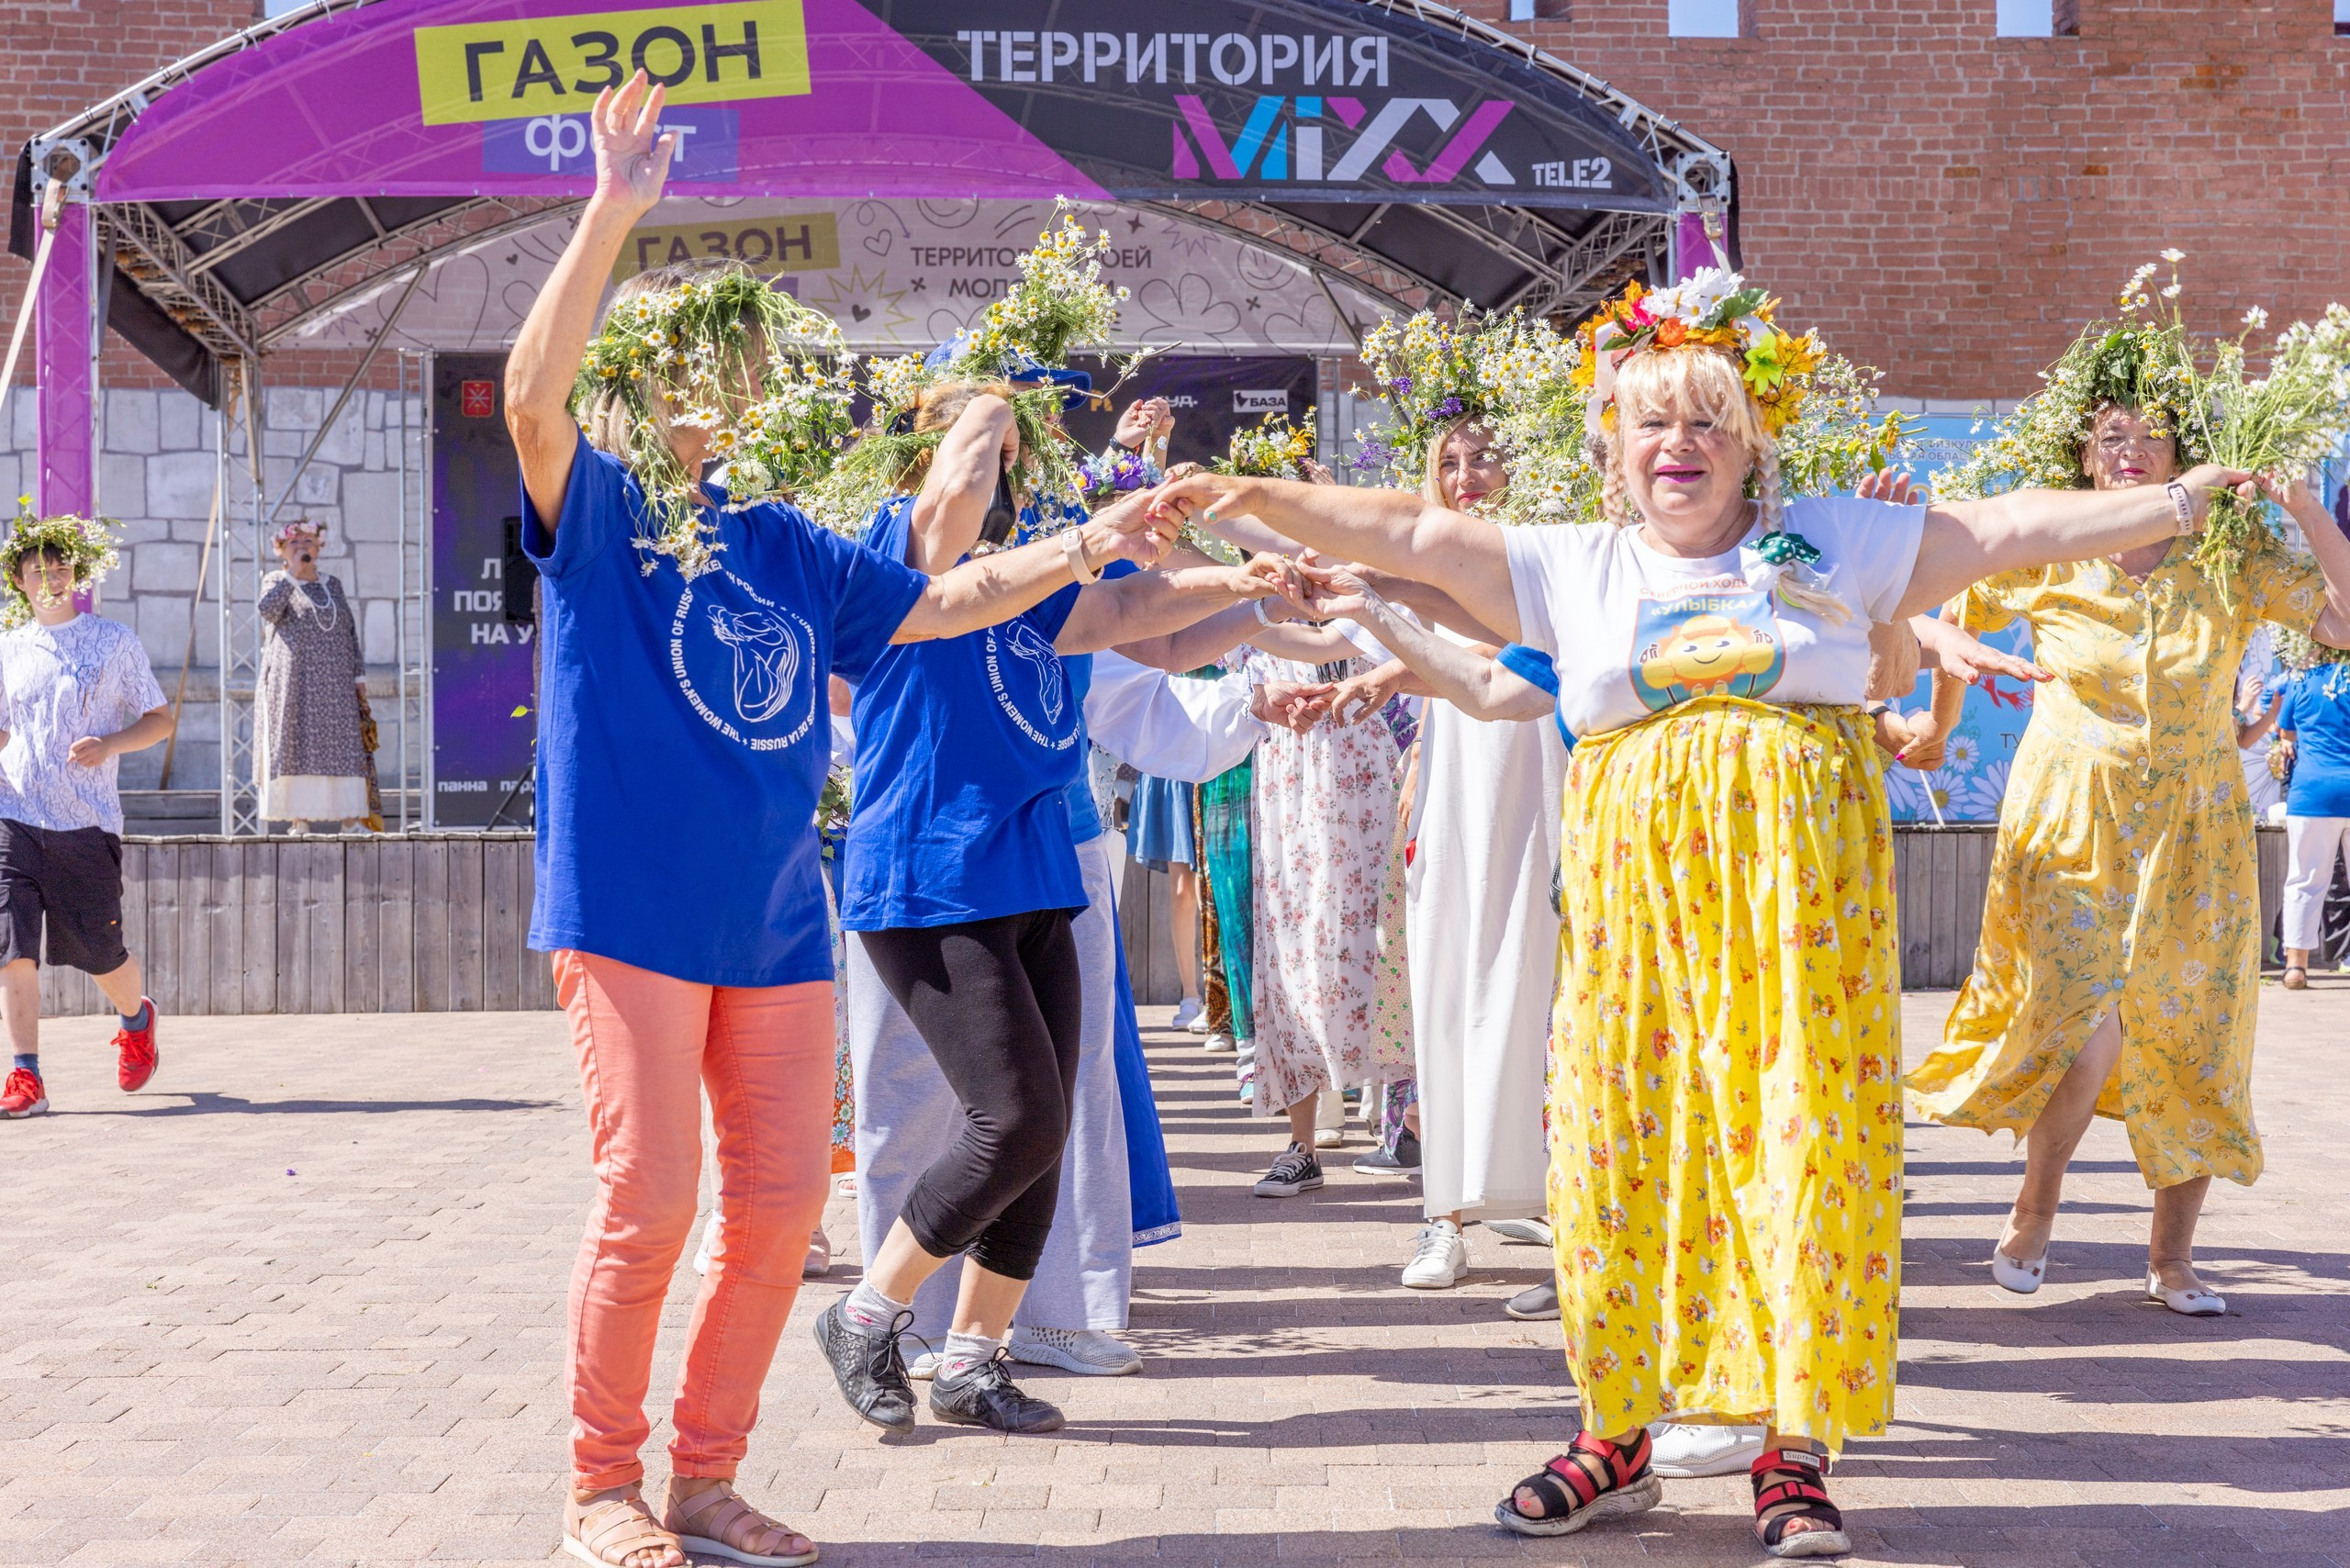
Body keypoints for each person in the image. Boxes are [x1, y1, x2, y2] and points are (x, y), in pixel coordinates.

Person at [1150, 266, 2269, 1554]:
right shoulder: (1571, 566)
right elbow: (1404, 534)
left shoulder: (1840, 542)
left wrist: (2175, 498)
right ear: (1612, 447)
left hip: (1806, 940)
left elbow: (2013, 526)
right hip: (1641, 930)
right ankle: (1614, 1434)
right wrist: (1235, 496)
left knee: (1802, 1153)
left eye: (1704, 422)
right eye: (1650, 422)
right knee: (1620, 1153)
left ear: (1751, 443)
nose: (1676, 445)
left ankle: (1792, 1453)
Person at [506, 73, 1171, 1568]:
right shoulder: (602, 511)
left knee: (780, 1202)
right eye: (698, 359)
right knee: (651, 1196)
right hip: (625, 913)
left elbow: (940, 602)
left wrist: (1084, 537)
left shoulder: (783, 541)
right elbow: (530, 393)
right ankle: (601, 1484)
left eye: (737, 364)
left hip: (772, 921)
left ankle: (709, 1477)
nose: (721, 385)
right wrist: (615, 206)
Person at [821, 378, 1278, 1439]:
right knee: (1012, 1115)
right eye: (989, 442)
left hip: (1032, 869)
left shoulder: (1030, 576)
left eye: (1015, 441)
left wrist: (1250, 584)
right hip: (931, 876)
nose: (1007, 456)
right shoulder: (900, 550)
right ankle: (866, 1313)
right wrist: (991, 394)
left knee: (1046, 1121)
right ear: (930, 453)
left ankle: (971, 1360)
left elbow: (1136, 620)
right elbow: (950, 511)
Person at [1905, 402, 2350, 1319]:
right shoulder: (2050, 547)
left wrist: (2307, 510)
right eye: (2111, 434)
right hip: (2070, 816)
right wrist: (1938, 731)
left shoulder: (2230, 560)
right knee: (2080, 1022)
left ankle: (2172, 1257)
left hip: (2198, 827)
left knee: (2192, 1033)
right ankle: (2034, 1206)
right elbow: (1950, 620)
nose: (2130, 449)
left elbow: (2343, 623)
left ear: (2182, 459)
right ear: (2083, 453)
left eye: (2151, 436)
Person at [0, 518, 170, 1121]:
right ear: (18, 581)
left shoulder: (113, 641)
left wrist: (111, 743)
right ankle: (26, 1078)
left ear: (77, 573)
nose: (49, 577)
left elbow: (160, 719)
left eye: (60, 567)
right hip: (14, 817)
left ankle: (136, 1019)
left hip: (86, 824)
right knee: (12, 949)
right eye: (36, 569)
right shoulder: (7, 649)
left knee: (100, 954)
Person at [255, 520, 370, 834]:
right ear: (281, 550)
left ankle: (349, 819)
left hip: (335, 685)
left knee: (342, 747)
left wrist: (358, 678)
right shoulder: (276, 579)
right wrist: (293, 574)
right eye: (295, 543)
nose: (303, 548)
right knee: (295, 747)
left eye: (308, 542)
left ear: (319, 548)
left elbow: (349, 631)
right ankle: (298, 819)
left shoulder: (332, 584)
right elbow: (267, 610)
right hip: (294, 684)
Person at [2273, 655, 2350, 988]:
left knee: (2304, 880)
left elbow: (2285, 728)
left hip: (2312, 793)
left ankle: (2296, 967)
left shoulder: (2301, 681)